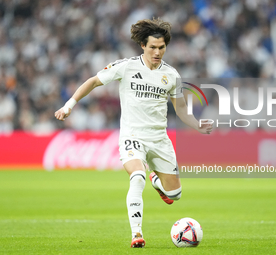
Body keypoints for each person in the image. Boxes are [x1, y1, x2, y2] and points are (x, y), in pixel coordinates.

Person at [55, 18, 212, 248]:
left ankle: (157, 181)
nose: (157, 52)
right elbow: (93, 81)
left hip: (159, 138)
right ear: (142, 46)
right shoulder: (126, 66)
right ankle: (136, 234)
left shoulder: (172, 75)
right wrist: (69, 105)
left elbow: (180, 109)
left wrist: (197, 124)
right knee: (137, 177)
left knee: (175, 194)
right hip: (132, 136)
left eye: (162, 47)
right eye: (153, 47)